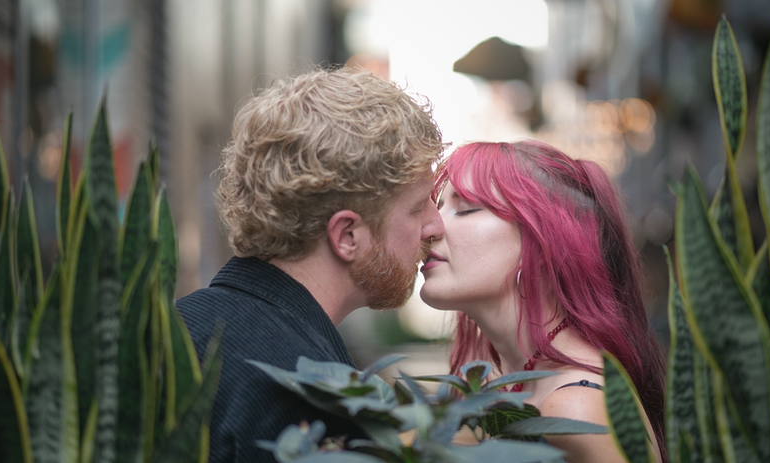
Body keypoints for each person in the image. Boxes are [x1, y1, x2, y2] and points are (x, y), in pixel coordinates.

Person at [177, 67, 446, 463]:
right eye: (418, 206)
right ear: (347, 236)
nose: (435, 224)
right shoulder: (309, 397)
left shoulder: (180, 322)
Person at [419, 140, 666, 463]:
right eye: (437, 207)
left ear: (541, 243)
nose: (430, 228)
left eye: (465, 209)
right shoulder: (510, 390)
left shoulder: (576, 409)